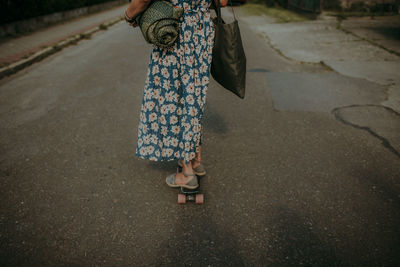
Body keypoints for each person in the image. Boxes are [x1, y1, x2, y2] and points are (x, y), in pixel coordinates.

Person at [125, 0, 228, 189]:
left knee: (174, 97)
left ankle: (187, 172)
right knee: (193, 97)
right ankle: (195, 160)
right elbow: (222, 1)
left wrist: (129, 15)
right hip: (202, 30)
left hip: (175, 29)